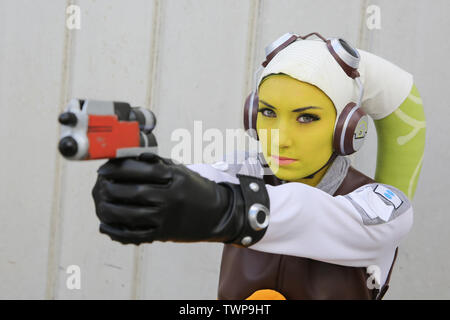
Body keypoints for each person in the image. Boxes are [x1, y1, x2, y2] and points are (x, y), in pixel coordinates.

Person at [91, 32, 425, 300]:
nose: (279, 139)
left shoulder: (383, 206)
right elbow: (203, 179)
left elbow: (315, 216)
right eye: (267, 113)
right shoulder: (245, 171)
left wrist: (230, 208)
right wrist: (147, 181)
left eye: (306, 117)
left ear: (347, 130)